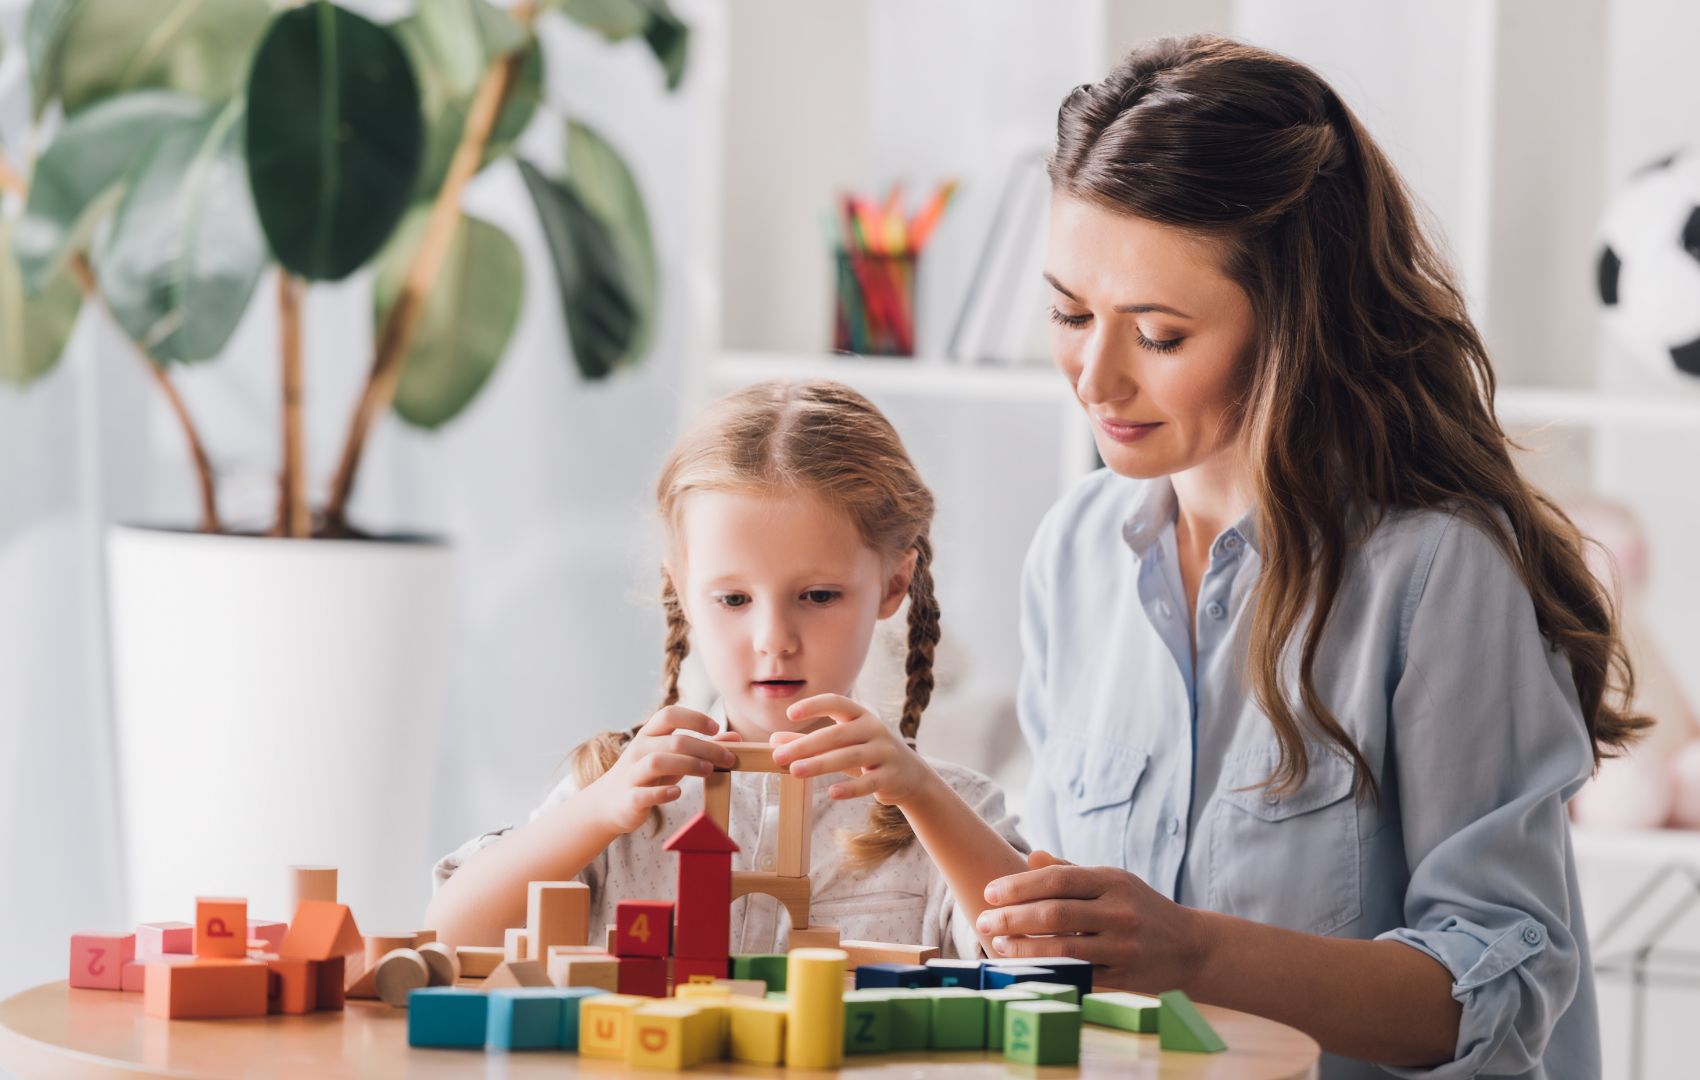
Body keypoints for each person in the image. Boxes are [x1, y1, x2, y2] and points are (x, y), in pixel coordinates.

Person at [974, 35, 1647, 1079]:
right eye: (1068, 314)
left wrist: (1190, 952)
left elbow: (1498, 998)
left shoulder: (1434, 572)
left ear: (1290, 323)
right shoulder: (1073, 552)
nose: (1093, 379)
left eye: (1156, 335)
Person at [424, 380, 1030, 958]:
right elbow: (450, 935)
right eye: (734, 600)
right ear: (682, 592)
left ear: (893, 583)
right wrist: (600, 811)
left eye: (818, 596)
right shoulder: (618, 792)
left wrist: (921, 794)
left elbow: (1039, 953)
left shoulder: (950, 809)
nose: (774, 640)